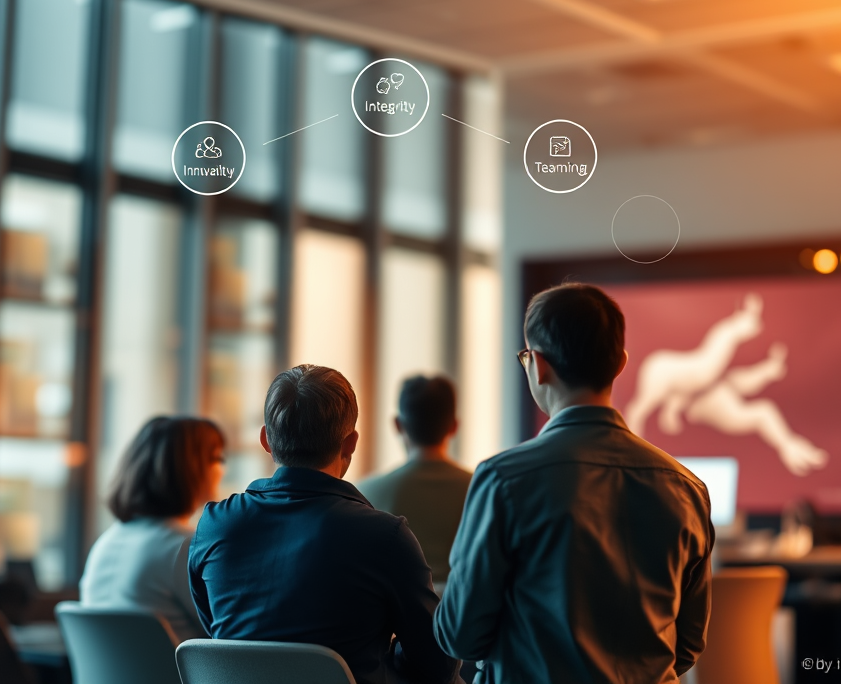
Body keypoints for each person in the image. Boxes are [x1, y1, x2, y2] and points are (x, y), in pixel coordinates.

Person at [434, 283, 714, 684]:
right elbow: (686, 645)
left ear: (539, 365)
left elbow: (459, 636)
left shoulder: (503, 480)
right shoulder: (687, 488)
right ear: (620, 363)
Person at [188, 364, 460, 684]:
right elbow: (437, 666)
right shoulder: (385, 537)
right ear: (351, 444)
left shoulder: (215, 525)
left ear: (265, 439)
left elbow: (218, 634)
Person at [80, 415, 225, 642]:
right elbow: (228, 636)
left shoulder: (106, 542)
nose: (221, 470)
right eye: (217, 458)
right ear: (190, 468)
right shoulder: (185, 547)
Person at [358, 375, 472, 586]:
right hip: (463, 614)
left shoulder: (363, 495)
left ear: (398, 425)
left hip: (395, 616)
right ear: (454, 426)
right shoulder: (481, 488)